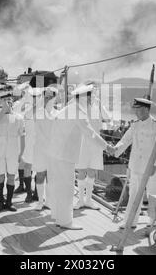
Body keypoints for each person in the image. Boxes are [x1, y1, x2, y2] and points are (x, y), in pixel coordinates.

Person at [47, 83, 112, 230]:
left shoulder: (68, 108)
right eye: (89, 98)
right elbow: (91, 134)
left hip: (54, 153)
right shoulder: (79, 112)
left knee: (58, 186)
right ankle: (65, 222)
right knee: (67, 188)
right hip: (65, 155)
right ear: (84, 98)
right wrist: (107, 146)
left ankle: (58, 217)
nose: (90, 101)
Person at [110, 97, 156, 231]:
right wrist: (115, 150)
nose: (136, 113)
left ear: (146, 110)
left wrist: (155, 164)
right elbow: (126, 140)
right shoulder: (135, 125)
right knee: (134, 194)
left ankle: (155, 222)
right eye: (135, 110)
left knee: (154, 194)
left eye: (139, 110)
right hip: (136, 166)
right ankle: (130, 221)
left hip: (153, 167)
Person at [75, 83, 113, 210]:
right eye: (90, 92)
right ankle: (80, 200)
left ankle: (88, 200)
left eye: (93, 92)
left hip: (96, 142)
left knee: (92, 171)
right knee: (81, 170)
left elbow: (108, 118)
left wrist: (101, 104)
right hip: (82, 142)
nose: (92, 94)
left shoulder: (98, 104)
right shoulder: (79, 105)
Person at [0, 91, 25, 213]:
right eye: (4, 100)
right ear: (1, 101)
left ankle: (9, 202)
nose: (8, 102)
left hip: (13, 148)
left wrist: (21, 153)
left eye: (9, 100)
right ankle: (0, 202)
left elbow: (22, 135)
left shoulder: (19, 117)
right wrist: (3, 110)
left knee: (11, 175)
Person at [32, 86, 59, 211]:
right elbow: (37, 128)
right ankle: (39, 201)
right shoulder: (38, 112)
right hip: (41, 148)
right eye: (46, 96)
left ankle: (49, 201)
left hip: (53, 148)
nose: (48, 99)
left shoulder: (58, 113)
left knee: (52, 175)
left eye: (51, 97)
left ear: (55, 98)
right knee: (40, 174)